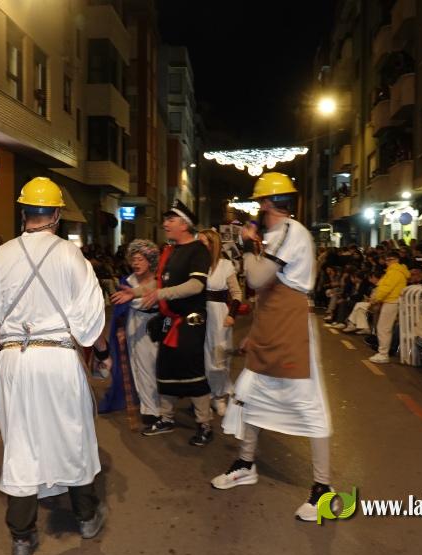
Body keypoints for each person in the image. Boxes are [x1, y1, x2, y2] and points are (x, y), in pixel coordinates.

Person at [0, 177, 107, 555]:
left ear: (24, 212)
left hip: (15, 358)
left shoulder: (1, 255)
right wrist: (102, 350)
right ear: (57, 215)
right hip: (58, 357)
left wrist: (3, 352)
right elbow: (91, 320)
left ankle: (22, 536)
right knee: (73, 434)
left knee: (21, 441)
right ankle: (85, 516)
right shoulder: (70, 255)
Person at [211, 172, 333, 522]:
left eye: (260, 203)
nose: (259, 210)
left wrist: (249, 245)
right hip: (273, 324)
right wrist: (257, 333)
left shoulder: (292, 232)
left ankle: (322, 489)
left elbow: (258, 278)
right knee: (249, 395)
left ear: (267, 203)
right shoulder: (279, 234)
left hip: (290, 327)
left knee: (309, 406)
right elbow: (266, 289)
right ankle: (246, 464)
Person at [120, 199, 214, 445]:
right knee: (165, 368)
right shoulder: (170, 251)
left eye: (170, 220)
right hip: (169, 321)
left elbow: (196, 285)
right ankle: (166, 418)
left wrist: (160, 295)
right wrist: (136, 292)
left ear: (185, 224)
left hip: (191, 321)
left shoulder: (198, 250)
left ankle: (205, 424)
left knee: (192, 371)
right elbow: (160, 284)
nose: (165, 224)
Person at [105, 239, 161, 421]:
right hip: (133, 325)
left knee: (153, 366)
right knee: (139, 366)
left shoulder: (159, 281)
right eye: (134, 259)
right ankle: (149, 409)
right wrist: (120, 327)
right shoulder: (127, 282)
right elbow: (120, 310)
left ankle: (156, 405)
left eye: (141, 259)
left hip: (154, 326)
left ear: (150, 260)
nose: (136, 263)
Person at [198, 228, 243, 416]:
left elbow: (237, 293)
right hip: (199, 316)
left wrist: (231, 314)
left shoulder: (225, 266)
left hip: (219, 317)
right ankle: (203, 396)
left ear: (212, 244)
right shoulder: (195, 264)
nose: (198, 245)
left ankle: (219, 396)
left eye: (203, 242)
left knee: (219, 358)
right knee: (201, 359)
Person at [368, 251, 408, 364]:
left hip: (391, 301)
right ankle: (383, 352)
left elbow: (386, 288)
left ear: (395, 260)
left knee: (384, 328)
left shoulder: (394, 272)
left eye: (388, 260)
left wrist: (376, 299)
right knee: (384, 328)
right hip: (392, 300)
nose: (386, 262)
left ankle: (383, 354)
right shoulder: (396, 271)